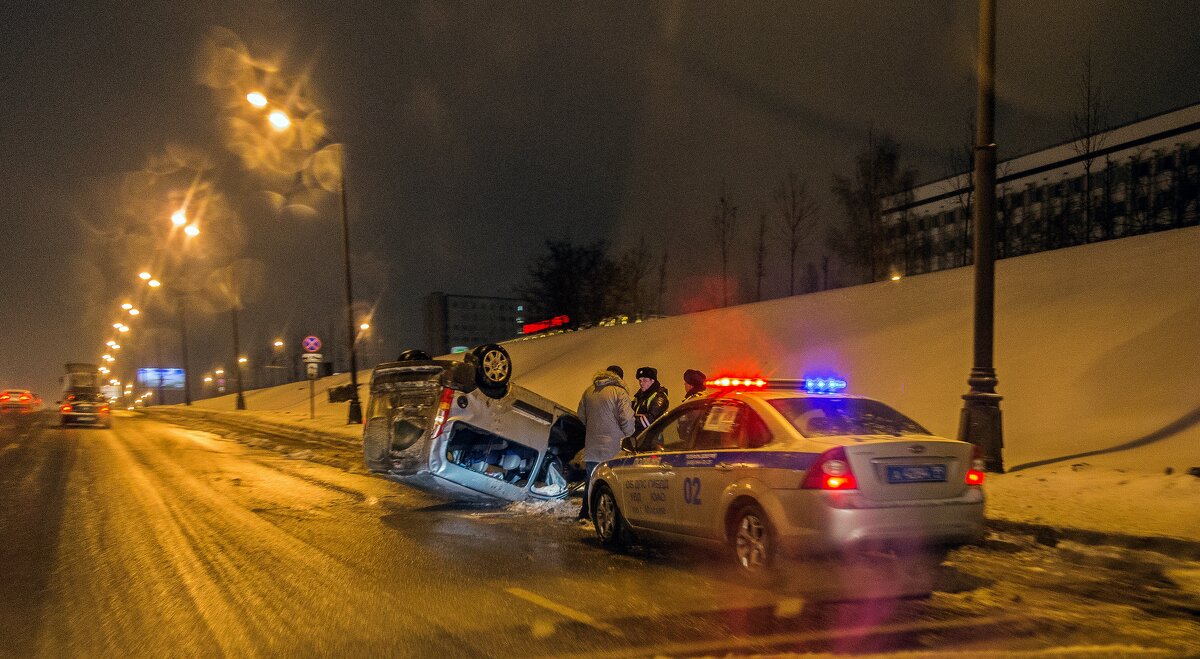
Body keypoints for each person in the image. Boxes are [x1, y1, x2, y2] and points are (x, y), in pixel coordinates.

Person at [576, 365, 635, 521]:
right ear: (619, 378)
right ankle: (609, 517)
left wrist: (593, 429)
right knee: (612, 484)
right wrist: (629, 434)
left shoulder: (588, 391)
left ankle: (585, 514)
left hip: (592, 446)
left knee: (591, 481)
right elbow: (627, 419)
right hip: (613, 448)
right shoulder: (619, 392)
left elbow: (581, 415)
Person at [632, 366, 669, 433]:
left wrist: (630, 420)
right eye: (640, 380)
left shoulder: (659, 396)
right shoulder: (639, 396)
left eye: (645, 380)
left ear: (652, 381)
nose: (641, 383)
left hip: (653, 438)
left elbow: (650, 420)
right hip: (639, 437)